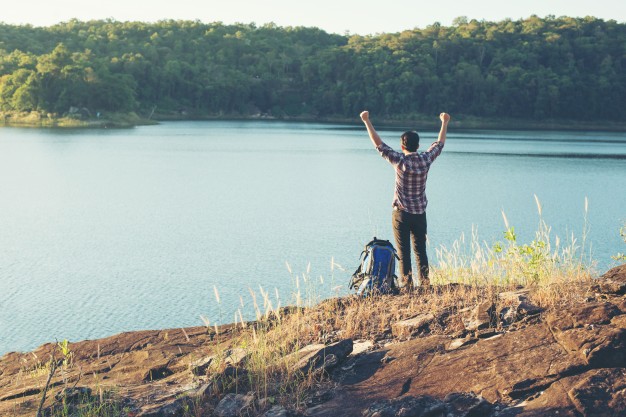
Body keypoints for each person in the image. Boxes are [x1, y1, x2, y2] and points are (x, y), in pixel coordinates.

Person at [360, 111, 450, 290]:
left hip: (401, 214)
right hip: (419, 214)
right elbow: (439, 144)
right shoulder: (425, 160)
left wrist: (366, 121)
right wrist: (444, 122)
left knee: (403, 252)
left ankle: (407, 286)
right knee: (420, 251)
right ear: (418, 146)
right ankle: (425, 285)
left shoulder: (399, 161)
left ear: (402, 146)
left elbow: (379, 144)